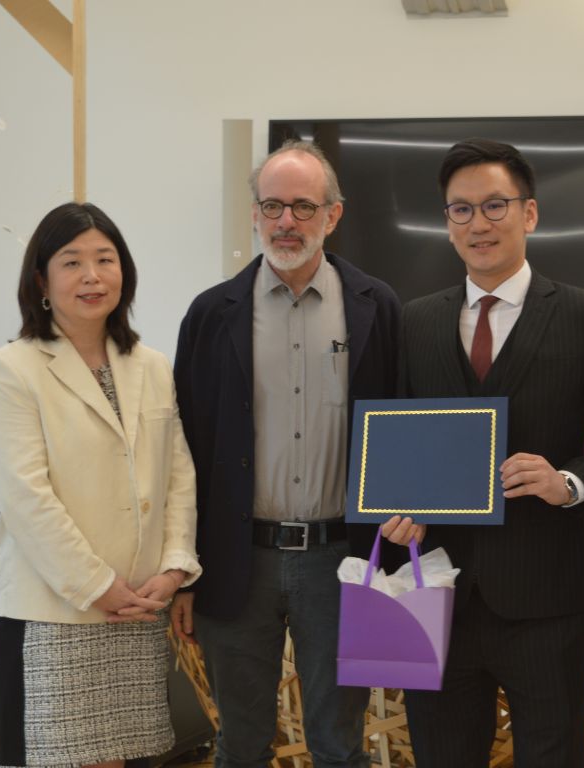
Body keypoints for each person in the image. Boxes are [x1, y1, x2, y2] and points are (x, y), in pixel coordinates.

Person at [383, 138, 584, 767]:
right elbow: (394, 440)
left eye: (494, 205)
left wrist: (568, 483)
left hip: (547, 594)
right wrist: (394, 506)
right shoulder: (415, 321)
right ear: (447, 224)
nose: (479, 224)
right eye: (461, 210)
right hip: (436, 590)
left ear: (529, 213)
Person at [171, 140, 400, 768]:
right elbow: (183, 453)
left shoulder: (376, 307)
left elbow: (401, 423)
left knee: (339, 745)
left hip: (342, 558)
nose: (286, 221)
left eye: (303, 206)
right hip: (235, 562)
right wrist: (184, 571)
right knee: (240, 744)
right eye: (272, 206)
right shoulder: (210, 315)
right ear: (255, 213)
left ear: (333, 214)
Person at [0, 202, 201, 767]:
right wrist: (97, 584)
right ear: (42, 281)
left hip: (138, 606)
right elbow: (25, 498)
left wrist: (175, 567)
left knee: (125, 759)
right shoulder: (12, 369)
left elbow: (178, 475)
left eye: (105, 259)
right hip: (57, 610)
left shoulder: (151, 364)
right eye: (72, 262)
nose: (92, 276)